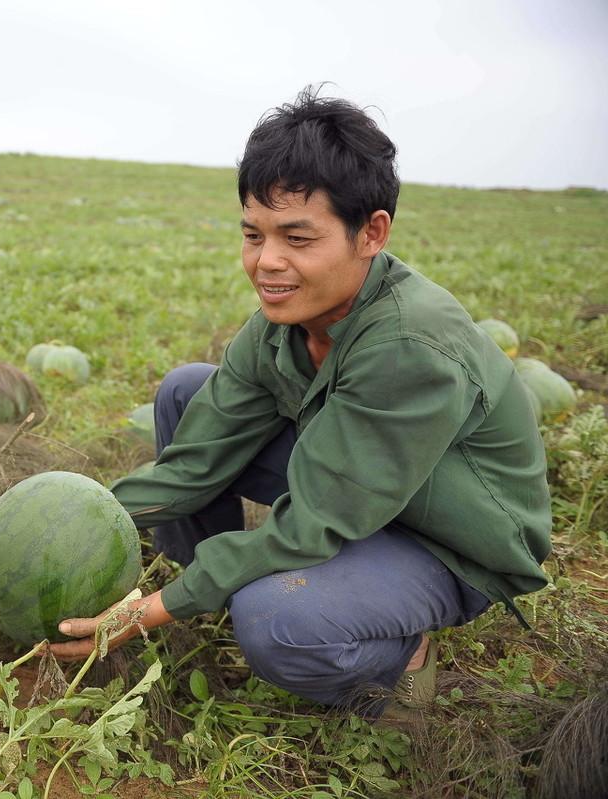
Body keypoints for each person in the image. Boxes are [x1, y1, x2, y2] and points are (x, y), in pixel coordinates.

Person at [50, 88, 552, 720]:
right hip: (361, 492)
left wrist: (150, 610)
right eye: (253, 235)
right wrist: (72, 522)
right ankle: (213, 585)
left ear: (370, 233)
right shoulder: (281, 325)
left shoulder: (408, 344)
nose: (267, 262)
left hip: (451, 541)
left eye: (296, 237)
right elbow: (191, 465)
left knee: (276, 620)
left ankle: (401, 655)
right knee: (187, 391)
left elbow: (319, 515)